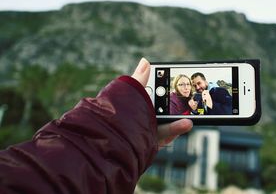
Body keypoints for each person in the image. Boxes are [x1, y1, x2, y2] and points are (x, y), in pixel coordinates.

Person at [0, 58, 193, 193]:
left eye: (189, 85)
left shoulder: (195, 101)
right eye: (182, 84)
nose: (187, 87)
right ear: (176, 87)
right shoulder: (176, 103)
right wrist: (116, 133)